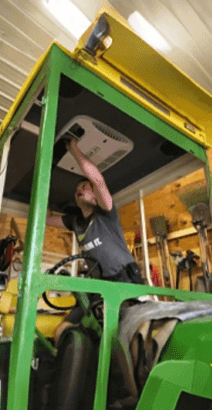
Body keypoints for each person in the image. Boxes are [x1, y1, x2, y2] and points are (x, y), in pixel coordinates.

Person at [46, 138, 143, 341]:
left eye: (86, 186)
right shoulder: (75, 222)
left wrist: (74, 149)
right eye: (78, 188)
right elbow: (44, 220)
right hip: (97, 285)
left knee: (119, 333)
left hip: (124, 279)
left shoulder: (105, 213)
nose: (82, 188)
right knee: (61, 330)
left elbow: (98, 180)